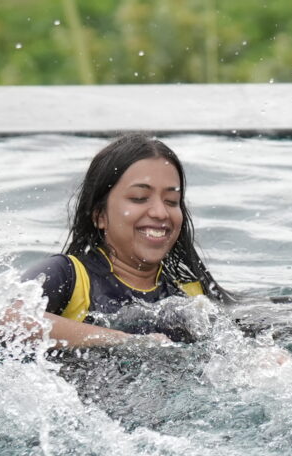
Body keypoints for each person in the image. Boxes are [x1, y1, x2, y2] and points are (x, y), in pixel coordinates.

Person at [30, 135, 228, 350]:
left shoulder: (191, 293)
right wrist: (127, 342)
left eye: (171, 201)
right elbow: (7, 318)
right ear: (99, 216)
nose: (161, 213)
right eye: (139, 198)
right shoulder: (67, 275)